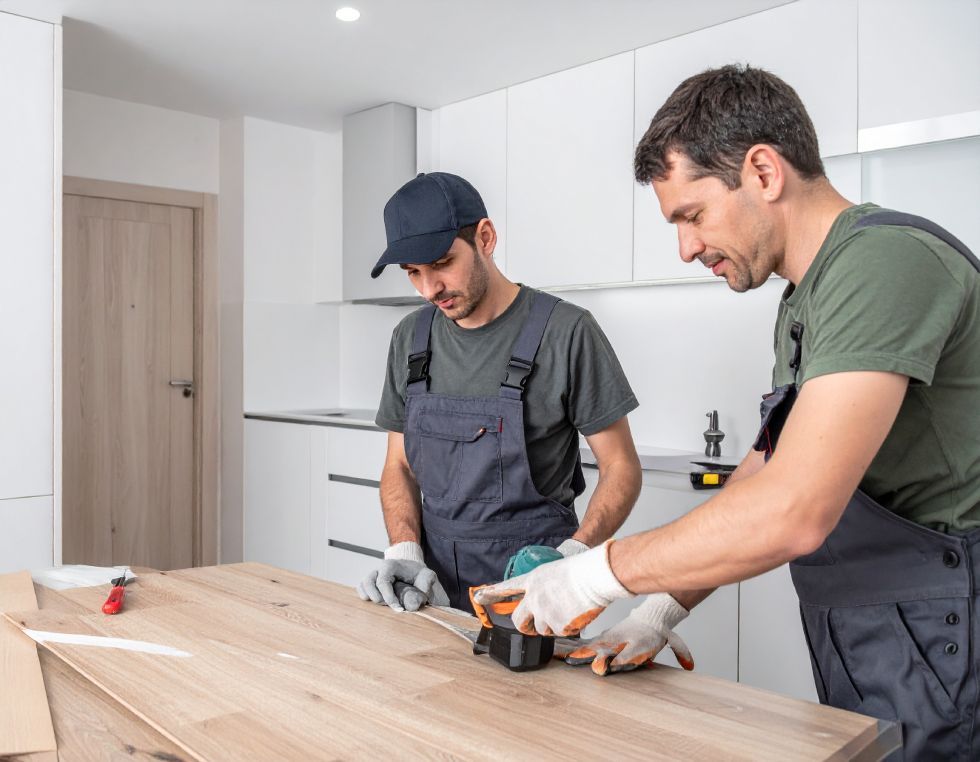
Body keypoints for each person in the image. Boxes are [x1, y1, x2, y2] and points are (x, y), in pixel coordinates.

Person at [475, 65, 980, 760]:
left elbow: (794, 508)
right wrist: (660, 609)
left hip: (943, 623)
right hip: (871, 622)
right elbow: (760, 474)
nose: (685, 246)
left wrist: (597, 573)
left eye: (692, 214)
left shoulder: (883, 262)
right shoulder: (804, 299)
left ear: (764, 172)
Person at [356, 171, 654, 619]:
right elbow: (398, 465)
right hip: (432, 593)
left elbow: (621, 467)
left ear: (486, 237)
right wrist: (404, 550)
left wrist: (572, 559)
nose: (427, 289)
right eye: (413, 272)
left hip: (536, 595)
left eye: (440, 263)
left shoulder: (567, 332)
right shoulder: (409, 339)